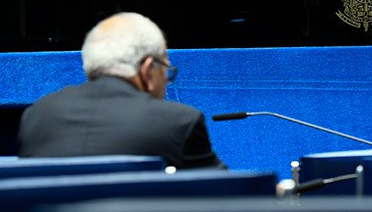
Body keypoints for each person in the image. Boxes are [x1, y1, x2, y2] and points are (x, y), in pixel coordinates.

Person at [18, 12, 225, 169]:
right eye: (165, 70)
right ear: (147, 69)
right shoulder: (179, 123)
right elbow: (225, 198)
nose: (166, 81)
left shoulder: (38, 115)